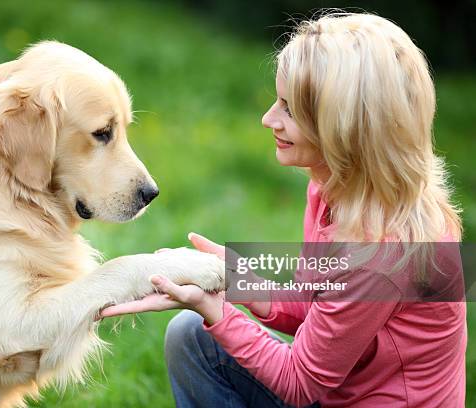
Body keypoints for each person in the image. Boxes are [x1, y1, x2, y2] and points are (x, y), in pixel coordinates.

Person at [101, 12, 466, 408]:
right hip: (339, 395)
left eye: (290, 110)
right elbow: (316, 306)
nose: (267, 118)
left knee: (200, 327)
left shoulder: (379, 253)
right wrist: (236, 277)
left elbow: (299, 383)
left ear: (344, 130)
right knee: (192, 336)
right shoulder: (335, 190)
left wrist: (215, 309)